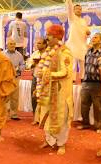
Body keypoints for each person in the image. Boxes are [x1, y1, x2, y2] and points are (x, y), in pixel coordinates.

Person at [36, 24, 73, 155]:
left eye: (49, 36)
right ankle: (49, 140)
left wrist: (47, 74)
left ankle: (61, 143)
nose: (47, 39)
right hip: (47, 90)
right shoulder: (48, 51)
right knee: (46, 116)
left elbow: (66, 72)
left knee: (60, 118)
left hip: (60, 91)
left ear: (57, 37)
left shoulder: (65, 52)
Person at [77, 33, 101, 132]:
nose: (93, 38)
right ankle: (85, 123)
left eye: (96, 37)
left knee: (98, 106)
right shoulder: (88, 51)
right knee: (84, 104)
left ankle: (98, 126)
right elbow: (84, 65)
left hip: (98, 82)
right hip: (86, 81)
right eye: (93, 37)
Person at [65, 0, 90, 82]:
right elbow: (69, 8)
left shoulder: (83, 21)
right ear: (74, 10)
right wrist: (69, 2)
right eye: (77, 9)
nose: (79, 10)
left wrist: (88, 32)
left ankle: (82, 78)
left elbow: (87, 31)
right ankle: (72, 79)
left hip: (82, 44)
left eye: (80, 9)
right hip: (73, 44)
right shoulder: (72, 18)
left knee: (82, 63)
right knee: (73, 63)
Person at [26, 38, 48, 125]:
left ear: (44, 45)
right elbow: (28, 65)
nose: (37, 45)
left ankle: (44, 118)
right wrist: (33, 64)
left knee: (44, 98)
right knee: (34, 97)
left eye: (39, 43)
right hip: (35, 77)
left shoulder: (48, 54)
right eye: (37, 43)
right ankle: (35, 118)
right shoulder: (35, 53)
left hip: (45, 79)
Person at [4, 39, 25, 120]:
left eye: (13, 44)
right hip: (5, 78)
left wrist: (19, 69)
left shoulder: (19, 55)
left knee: (15, 97)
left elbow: (23, 64)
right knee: (5, 96)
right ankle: (5, 114)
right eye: (10, 44)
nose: (12, 45)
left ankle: (14, 114)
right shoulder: (3, 54)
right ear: (7, 45)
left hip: (16, 77)